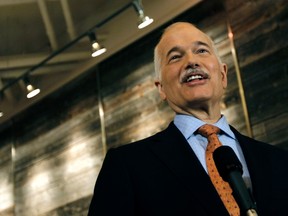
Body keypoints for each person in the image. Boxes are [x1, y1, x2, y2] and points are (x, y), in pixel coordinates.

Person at [88, 22, 288, 216]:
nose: (192, 62)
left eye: (201, 51)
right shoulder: (127, 165)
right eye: (175, 57)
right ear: (161, 88)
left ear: (223, 74)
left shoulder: (279, 160)